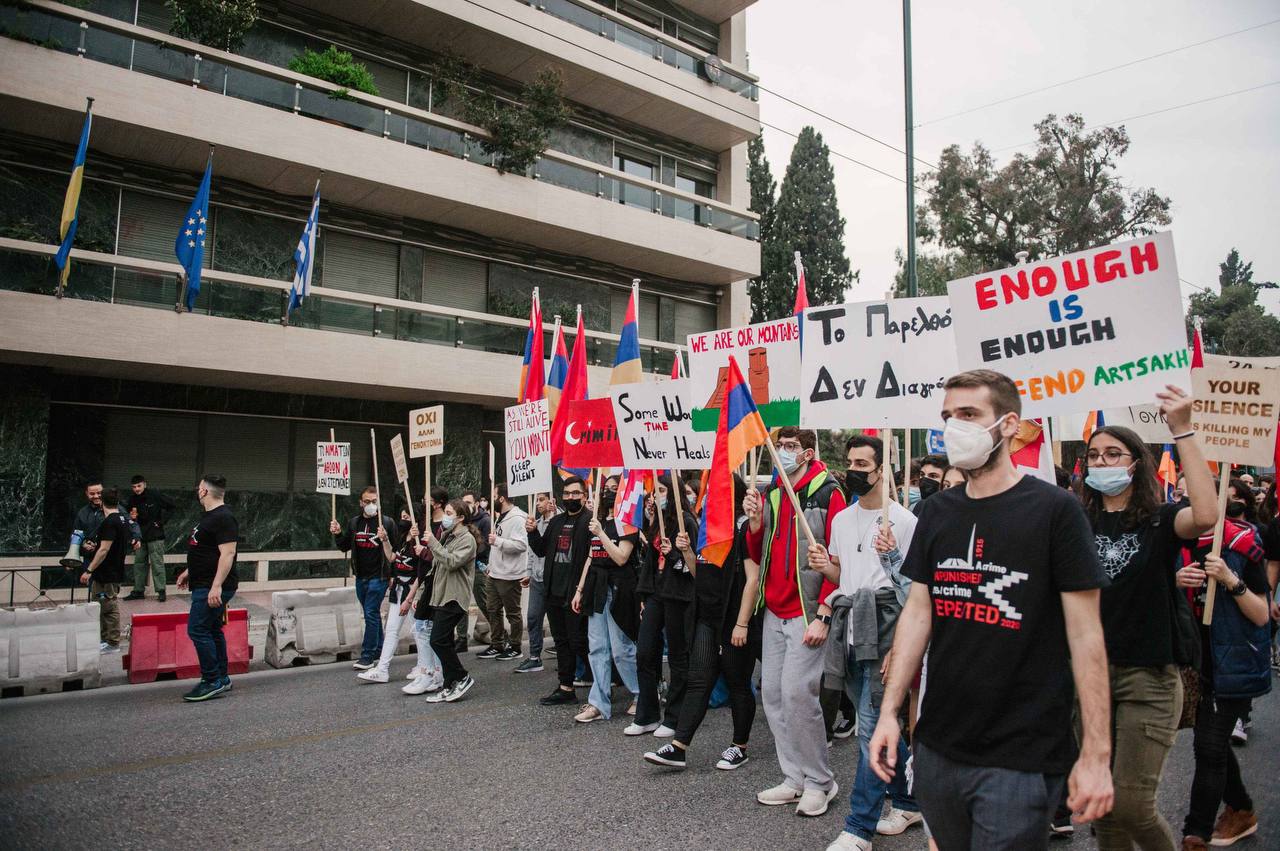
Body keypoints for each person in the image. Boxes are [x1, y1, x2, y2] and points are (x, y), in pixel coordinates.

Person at [867, 369, 1113, 851]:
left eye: (968, 415)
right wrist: (890, 713)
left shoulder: (1056, 511)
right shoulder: (938, 512)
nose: (953, 427)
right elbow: (919, 612)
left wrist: (1097, 753)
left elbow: (1086, 637)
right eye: (946, 417)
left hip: (1020, 751)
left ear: (1008, 425)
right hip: (939, 744)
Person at [1077, 387, 1216, 850]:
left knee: (1133, 804)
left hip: (1149, 681)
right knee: (1105, 810)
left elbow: (1207, 513)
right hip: (1090, 683)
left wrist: (1182, 427)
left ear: (1136, 462)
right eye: (1094, 455)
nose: (1102, 462)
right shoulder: (1075, 524)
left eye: (1113, 453)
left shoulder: (1159, 521)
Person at [816, 434, 922, 850]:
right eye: (851, 463)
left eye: (864, 464)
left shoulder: (905, 521)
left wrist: (902, 645)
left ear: (883, 469)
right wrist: (827, 566)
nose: (855, 471)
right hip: (850, 626)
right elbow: (844, 575)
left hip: (887, 626)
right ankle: (911, 798)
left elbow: (914, 591)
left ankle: (859, 826)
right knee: (877, 723)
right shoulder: (841, 519)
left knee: (871, 727)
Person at [746, 426, 846, 817]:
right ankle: (794, 778)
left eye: (789, 447)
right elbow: (758, 550)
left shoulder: (827, 491)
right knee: (771, 694)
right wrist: (754, 523)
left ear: (807, 453)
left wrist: (825, 611)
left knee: (797, 696)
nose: (781, 452)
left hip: (807, 611)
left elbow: (838, 559)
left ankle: (821, 781)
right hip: (775, 609)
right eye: (779, 446)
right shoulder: (772, 492)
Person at [645, 474, 760, 771]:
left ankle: (739, 746)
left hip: (734, 618)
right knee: (699, 679)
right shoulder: (708, 530)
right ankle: (679, 747)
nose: (707, 497)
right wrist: (686, 552)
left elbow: (753, 580)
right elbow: (701, 576)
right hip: (707, 617)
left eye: (715, 492)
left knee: (737, 683)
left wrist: (742, 623)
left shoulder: (744, 528)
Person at [1176, 497, 1272, 849]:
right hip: (1191, 662)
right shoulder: (1175, 544)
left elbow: (1262, 613)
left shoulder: (1241, 546)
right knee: (1212, 745)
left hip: (1232, 666)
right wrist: (1173, 581)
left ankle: (1195, 833)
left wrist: (1230, 579)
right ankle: (1242, 808)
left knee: (1209, 745)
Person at [631, 475, 697, 737]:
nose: (654, 495)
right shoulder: (658, 523)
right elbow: (649, 561)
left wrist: (673, 554)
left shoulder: (687, 523)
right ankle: (647, 715)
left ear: (673, 492)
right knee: (645, 652)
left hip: (678, 596)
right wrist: (644, 596)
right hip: (656, 594)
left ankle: (675, 717)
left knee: (678, 657)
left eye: (660, 490)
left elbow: (692, 568)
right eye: (653, 491)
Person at [571, 485, 641, 723]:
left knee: (621, 649)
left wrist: (601, 533)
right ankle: (599, 704)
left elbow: (621, 558)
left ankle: (642, 693)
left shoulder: (628, 523)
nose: (610, 492)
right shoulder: (596, 521)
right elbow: (592, 558)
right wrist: (579, 590)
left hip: (618, 589)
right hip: (595, 590)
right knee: (597, 647)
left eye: (615, 488)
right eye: (607, 488)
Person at [528, 476, 593, 706]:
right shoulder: (556, 522)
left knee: (580, 642)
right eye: (566, 494)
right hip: (553, 593)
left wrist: (582, 589)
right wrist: (532, 532)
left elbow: (592, 559)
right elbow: (542, 549)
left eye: (575, 493)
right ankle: (566, 687)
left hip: (576, 593)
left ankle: (603, 682)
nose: (570, 498)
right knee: (562, 641)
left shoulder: (589, 522)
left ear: (585, 496)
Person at [176, 474, 239, 702]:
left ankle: (211, 680)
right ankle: (221, 678)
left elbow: (227, 553)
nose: (197, 490)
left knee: (198, 630)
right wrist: (188, 571)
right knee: (212, 629)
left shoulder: (223, 517)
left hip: (212, 587)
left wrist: (216, 587)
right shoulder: (210, 517)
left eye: (199, 487)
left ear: (204, 492)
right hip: (203, 583)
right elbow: (206, 551)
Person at [417, 498, 480, 703]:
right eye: (446, 512)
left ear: (461, 517)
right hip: (441, 595)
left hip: (455, 597)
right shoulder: (448, 535)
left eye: (450, 513)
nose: (445, 517)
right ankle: (449, 683)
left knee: (438, 639)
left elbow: (452, 562)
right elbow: (437, 563)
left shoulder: (467, 539)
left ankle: (462, 676)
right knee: (443, 641)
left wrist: (433, 544)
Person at [330, 486, 398, 671]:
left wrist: (393, 575)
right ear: (361, 503)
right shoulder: (354, 523)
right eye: (367, 502)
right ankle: (380, 649)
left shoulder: (387, 523)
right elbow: (344, 546)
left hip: (380, 576)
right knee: (372, 614)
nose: (370, 505)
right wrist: (337, 533)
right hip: (361, 576)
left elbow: (395, 551)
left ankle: (367, 656)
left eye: (374, 502)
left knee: (370, 612)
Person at [358, 513, 427, 684]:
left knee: (419, 631)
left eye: (406, 516)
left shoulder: (422, 542)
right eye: (401, 515)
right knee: (391, 630)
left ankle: (423, 666)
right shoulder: (403, 538)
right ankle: (382, 669)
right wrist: (385, 540)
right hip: (398, 590)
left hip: (414, 591)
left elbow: (422, 572)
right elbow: (391, 557)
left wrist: (410, 598)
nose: (402, 519)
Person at [403, 487, 448, 696]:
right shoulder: (424, 524)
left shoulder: (445, 527)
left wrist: (427, 551)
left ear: (437, 503)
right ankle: (429, 671)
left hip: (437, 582)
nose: (424, 502)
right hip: (423, 580)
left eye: (427, 499)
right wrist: (413, 540)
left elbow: (443, 556)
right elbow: (417, 556)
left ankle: (433, 672)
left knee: (427, 629)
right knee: (422, 627)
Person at [477, 484, 527, 661]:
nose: (489, 499)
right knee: (493, 609)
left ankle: (515, 646)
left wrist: (498, 541)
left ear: (501, 498)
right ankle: (497, 643)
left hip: (510, 574)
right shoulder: (499, 517)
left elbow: (521, 545)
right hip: (495, 572)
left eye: (493, 495)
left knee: (512, 612)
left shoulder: (518, 518)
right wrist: (491, 565)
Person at [78, 488, 129, 653]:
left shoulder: (110, 522)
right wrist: (96, 547)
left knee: (108, 606)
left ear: (102, 504)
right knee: (104, 604)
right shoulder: (122, 519)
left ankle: (112, 642)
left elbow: (104, 550)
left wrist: (89, 570)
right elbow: (107, 546)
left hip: (107, 572)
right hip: (114, 569)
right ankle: (105, 639)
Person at [517, 491, 559, 674]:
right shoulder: (535, 524)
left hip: (555, 579)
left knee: (558, 622)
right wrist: (528, 572)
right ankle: (535, 657)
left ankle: (565, 655)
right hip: (537, 579)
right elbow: (532, 552)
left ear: (552, 501)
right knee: (533, 617)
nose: (538, 504)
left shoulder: (559, 520)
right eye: (537, 500)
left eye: (542, 499)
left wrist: (556, 513)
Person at [122, 475, 174, 601]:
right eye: (134, 487)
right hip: (140, 535)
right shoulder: (132, 499)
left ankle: (161, 591)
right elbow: (128, 515)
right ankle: (138, 590)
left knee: (157, 563)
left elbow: (171, 506)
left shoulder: (154, 495)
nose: (137, 489)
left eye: (139, 486)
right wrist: (131, 518)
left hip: (155, 535)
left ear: (144, 484)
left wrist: (161, 522)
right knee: (139, 563)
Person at [458, 490, 492, 651]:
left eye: (469, 502)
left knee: (483, 602)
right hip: (463, 567)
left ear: (477, 504)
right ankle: (462, 638)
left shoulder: (485, 521)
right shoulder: (462, 520)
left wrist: (469, 553)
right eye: (463, 502)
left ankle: (499, 634)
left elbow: (485, 546)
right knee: (461, 603)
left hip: (478, 567)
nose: (466, 506)